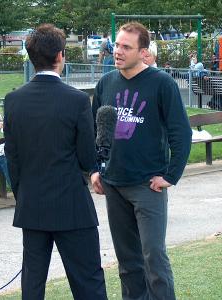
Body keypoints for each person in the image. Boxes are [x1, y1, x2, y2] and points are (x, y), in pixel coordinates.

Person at [4, 24, 107, 300]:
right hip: (71, 204)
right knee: (88, 281)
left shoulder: (13, 100)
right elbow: (87, 157)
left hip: (32, 204)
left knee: (33, 284)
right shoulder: (76, 100)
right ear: (61, 55)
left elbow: (12, 159)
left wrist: (23, 195)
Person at [91, 22, 192, 300]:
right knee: (127, 262)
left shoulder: (162, 83)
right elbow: (93, 131)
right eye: (116, 46)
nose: (118, 52)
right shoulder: (106, 83)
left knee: (154, 258)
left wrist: (170, 176)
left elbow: (180, 133)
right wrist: (95, 170)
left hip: (148, 186)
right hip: (113, 184)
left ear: (143, 52)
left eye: (126, 47)